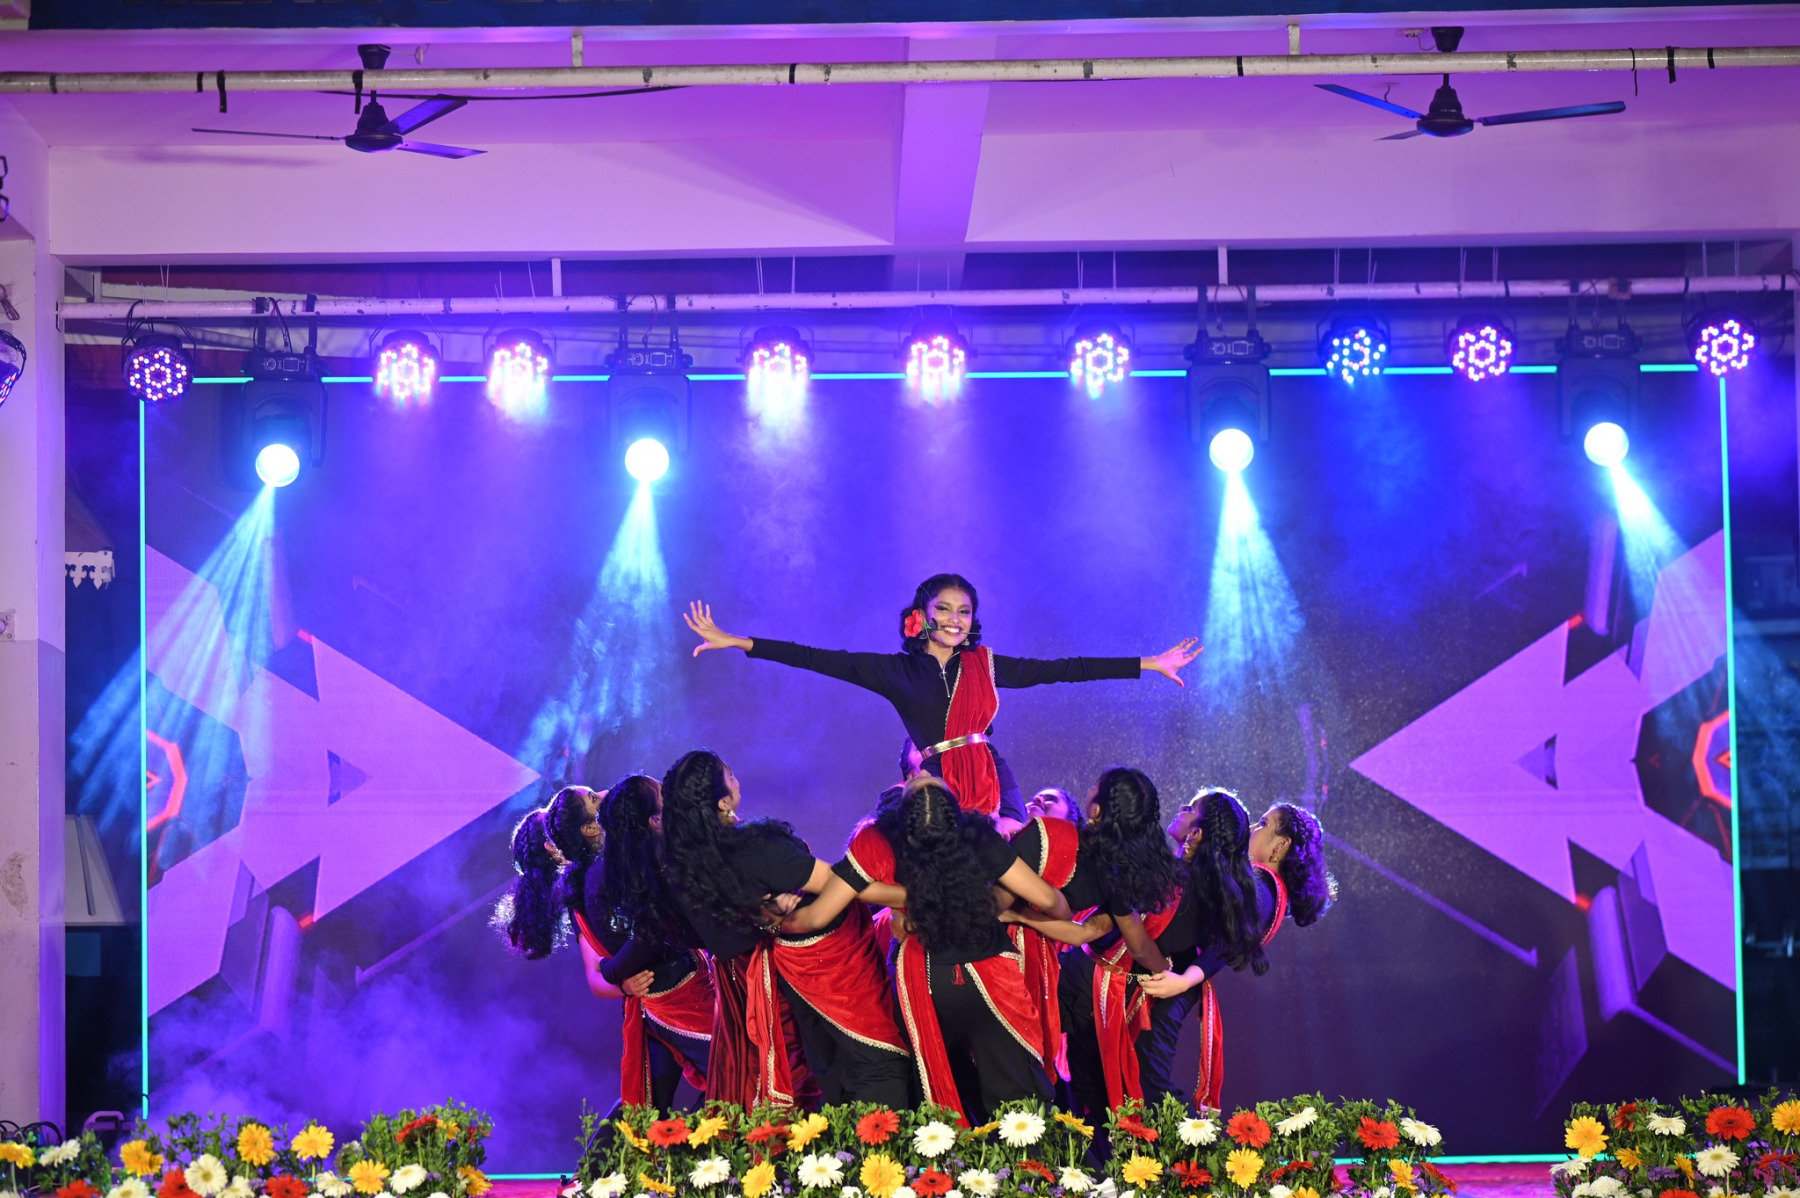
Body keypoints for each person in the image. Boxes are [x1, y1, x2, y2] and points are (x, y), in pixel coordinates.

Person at [683, 573, 1199, 830]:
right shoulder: (897, 670)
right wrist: (739, 641)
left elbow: (1065, 669)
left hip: (992, 775)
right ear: (923, 615)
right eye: (945, 608)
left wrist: (1147, 663)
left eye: (965, 611)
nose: (956, 619)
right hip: (938, 785)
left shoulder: (986, 664)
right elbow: (815, 657)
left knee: (1010, 864)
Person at [786, 776, 1072, 1122]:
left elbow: (817, 916)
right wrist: (1020, 906)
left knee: (941, 1091)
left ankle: (949, 1153)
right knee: (1019, 1096)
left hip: (926, 975)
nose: (921, 775)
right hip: (990, 971)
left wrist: (769, 921)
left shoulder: (878, 839)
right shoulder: (978, 834)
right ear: (954, 809)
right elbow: (1048, 900)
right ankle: (1027, 1154)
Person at [658, 749, 912, 1109]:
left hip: (791, 969)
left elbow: (720, 942)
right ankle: (884, 1141)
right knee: (878, 1056)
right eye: (730, 776)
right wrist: (913, 897)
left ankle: (848, 1140)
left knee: (830, 1064)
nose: (737, 781)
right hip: (834, 962)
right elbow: (841, 883)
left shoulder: (690, 867)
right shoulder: (758, 848)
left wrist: (763, 919)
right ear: (722, 802)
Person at [999, 767, 1185, 1119]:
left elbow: (997, 900)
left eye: (1094, 788)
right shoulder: (1118, 870)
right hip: (1044, 959)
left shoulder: (1052, 836)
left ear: (1096, 809)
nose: (1087, 791)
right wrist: (1171, 975)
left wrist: (1020, 914)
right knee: (1033, 1062)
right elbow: (1104, 937)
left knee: (1007, 1057)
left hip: (1009, 953)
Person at [1136, 800, 1335, 1108]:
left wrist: (1184, 980)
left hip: (1178, 978)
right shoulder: (1256, 883)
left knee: (1148, 1074)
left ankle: (1190, 1137)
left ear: (1281, 845)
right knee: (1142, 1066)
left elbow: (1225, 942)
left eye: (1263, 824)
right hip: (1178, 974)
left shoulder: (1264, 887)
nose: (1252, 828)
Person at [575, 774, 714, 1112]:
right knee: (735, 1073)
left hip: (687, 978)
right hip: (671, 995)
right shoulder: (601, 878)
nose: (603, 792)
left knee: (650, 1107)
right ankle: (694, 1142)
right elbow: (635, 943)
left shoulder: (645, 856)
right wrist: (616, 974)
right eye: (593, 797)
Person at [492, 786, 604, 960]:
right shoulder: (581, 894)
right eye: (553, 817)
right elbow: (596, 969)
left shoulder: (596, 864)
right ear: (552, 847)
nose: (560, 814)